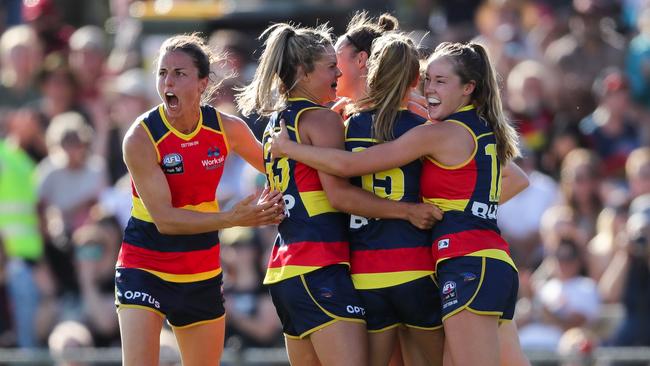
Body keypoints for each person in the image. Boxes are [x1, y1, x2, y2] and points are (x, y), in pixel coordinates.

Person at [270, 41, 530, 366]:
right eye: (427, 80)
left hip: (453, 264)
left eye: (440, 81)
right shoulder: (467, 126)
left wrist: (291, 148)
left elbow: (347, 170)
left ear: (469, 87)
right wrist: (458, 212)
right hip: (470, 263)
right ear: (413, 81)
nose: (431, 89)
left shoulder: (424, 131)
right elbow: (518, 179)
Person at [236, 23, 441, 366]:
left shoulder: (276, 122)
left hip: (284, 271)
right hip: (320, 264)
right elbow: (339, 195)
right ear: (302, 71)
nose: (338, 72)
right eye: (330, 65)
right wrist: (406, 211)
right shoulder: (322, 120)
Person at [117, 33, 284, 366]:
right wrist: (233, 218)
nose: (168, 81)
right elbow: (165, 219)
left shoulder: (227, 128)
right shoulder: (141, 136)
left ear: (203, 82)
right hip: (145, 264)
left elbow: (277, 168)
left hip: (200, 267)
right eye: (163, 73)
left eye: (180, 73)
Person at [337, 33, 445, 366]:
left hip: (366, 270)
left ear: (369, 71)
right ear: (416, 80)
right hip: (414, 265)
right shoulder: (424, 129)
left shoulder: (348, 126)